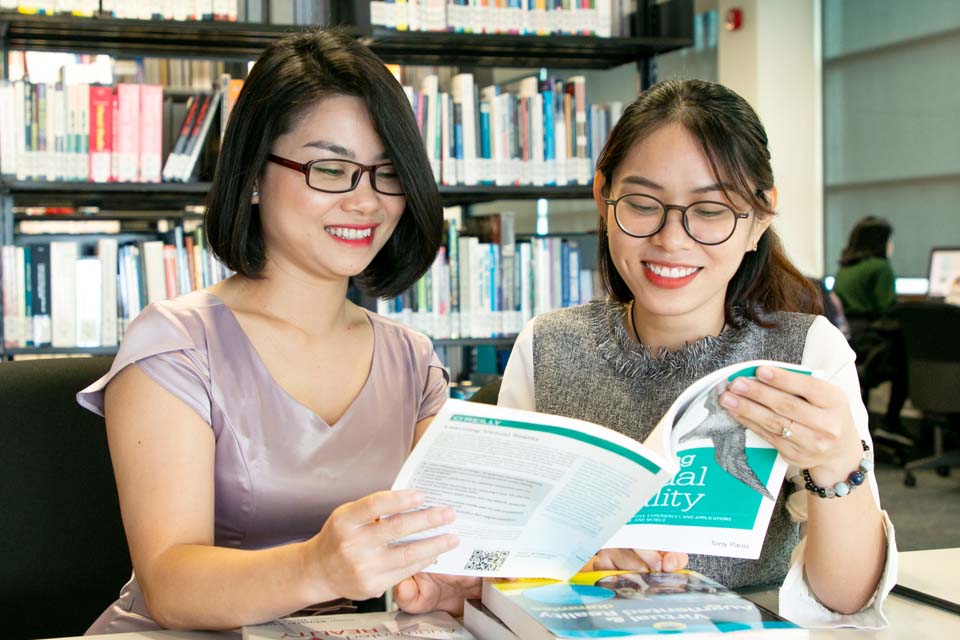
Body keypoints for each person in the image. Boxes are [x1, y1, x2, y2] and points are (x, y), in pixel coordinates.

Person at [76, 28, 475, 633]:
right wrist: (319, 567)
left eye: (386, 172)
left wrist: (445, 578)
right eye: (331, 168)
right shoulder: (176, 345)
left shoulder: (412, 360)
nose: (366, 202)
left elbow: (438, 543)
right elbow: (168, 584)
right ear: (255, 176)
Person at [498, 79, 895, 627]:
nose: (672, 239)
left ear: (758, 218)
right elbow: (496, 553)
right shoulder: (547, 346)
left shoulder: (805, 354)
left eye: (710, 211)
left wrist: (837, 464)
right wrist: (575, 565)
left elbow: (846, 600)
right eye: (642, 204)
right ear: (603, 198)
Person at [833, 216, 908, 436]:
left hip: (850, 340)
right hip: (871, 340)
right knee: (907, 362)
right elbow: (886, 308)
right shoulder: (880, 267)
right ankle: (892, 420)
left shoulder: (844, 269)